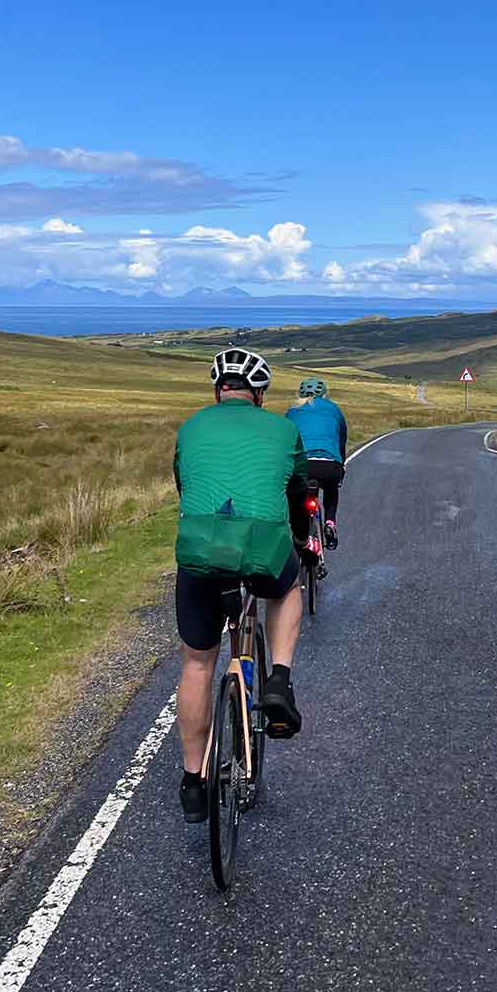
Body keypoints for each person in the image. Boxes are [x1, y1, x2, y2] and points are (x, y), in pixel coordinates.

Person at [171, 347, 315, 823]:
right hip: (261, 545)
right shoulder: (283, 428)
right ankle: (279, 679)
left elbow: (184, 486)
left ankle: (193, 781)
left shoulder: (192, 426)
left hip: (199, 549)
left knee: (196, 663)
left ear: (218, 390)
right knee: (287, 587)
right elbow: (297, 491)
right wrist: (296, 537)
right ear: (259, 395)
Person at [286, 376, 349, 549]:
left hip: (302, 465)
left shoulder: (292, 411)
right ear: (324, 394)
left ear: (300, 393)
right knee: (331, 490)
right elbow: (341, 440)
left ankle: (296, 533)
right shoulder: (334, 409)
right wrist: (341, 464)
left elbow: (285, 441)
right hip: (330, 465)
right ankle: (330, 522)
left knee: (294, 496)